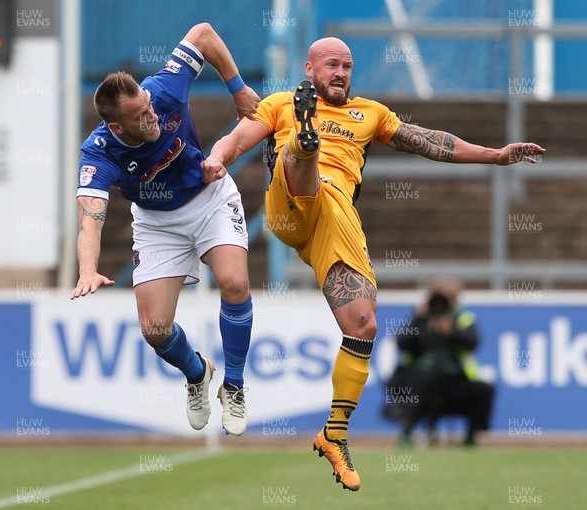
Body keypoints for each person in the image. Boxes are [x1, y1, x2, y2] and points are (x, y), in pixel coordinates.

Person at [202, 37, 544, 490]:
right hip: (288, 207)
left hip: (334, 221)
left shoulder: (371, 114)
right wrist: (216, 160)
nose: (340, 72)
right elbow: (237, 138)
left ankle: (334, 436)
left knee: (363, 324)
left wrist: (495, 155)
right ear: (309, 69)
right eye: (330, 65)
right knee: (301, 155)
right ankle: (305, 144)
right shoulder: (279, 103)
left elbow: (429, 142)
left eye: (346, 65)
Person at [70, 22, 261, 437]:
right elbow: (91, 216)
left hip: (207, 196)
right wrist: (88, 269)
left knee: (234, 283)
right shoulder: (99, 153)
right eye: (140, 116)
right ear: (117, 127)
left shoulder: (164, 88)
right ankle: (197, 374)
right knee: (155, 330)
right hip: (157, 223)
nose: (152, 114)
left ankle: (234, 385)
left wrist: (238, 88)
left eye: (149, 105)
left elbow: (204, 33)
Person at [385, 279, 494, 448]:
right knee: (423, 381)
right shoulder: (420, 318)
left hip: (452, 383)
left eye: (450, 297)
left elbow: (473, 342)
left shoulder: (462, 318)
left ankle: (471, 437)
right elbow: (402, 343)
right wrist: (420, 320)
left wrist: (452, 332)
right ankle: (406, 433)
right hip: (419, 383)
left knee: (483, 390)